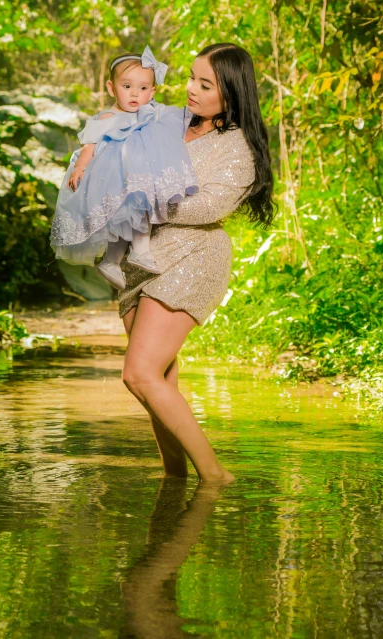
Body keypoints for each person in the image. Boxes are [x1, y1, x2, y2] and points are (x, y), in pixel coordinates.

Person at [119, 42, 275, 484]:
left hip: (193, 256)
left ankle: (213, 476)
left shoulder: (238, 146)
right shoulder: (171, 123)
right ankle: (175, 477)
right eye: (190, 77)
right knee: (160, 379)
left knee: (140, 373)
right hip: (142, 256)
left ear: (230, 95)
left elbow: (210, 206)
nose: (190, 89)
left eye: (205, 85)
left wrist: (147, 201)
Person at [50, 47, 198, 289]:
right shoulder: (106, 118)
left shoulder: (150, 113)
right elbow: (89, 146)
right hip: (113, 178)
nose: (134, 94)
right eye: (126, 86)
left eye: (142, 88)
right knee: (121, 219)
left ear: (152, 92)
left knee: (135, 214)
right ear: (111, 88)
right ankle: (116, 258)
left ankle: (122, 257)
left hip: (139, 177)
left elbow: (175, 118)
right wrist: (79, 168)